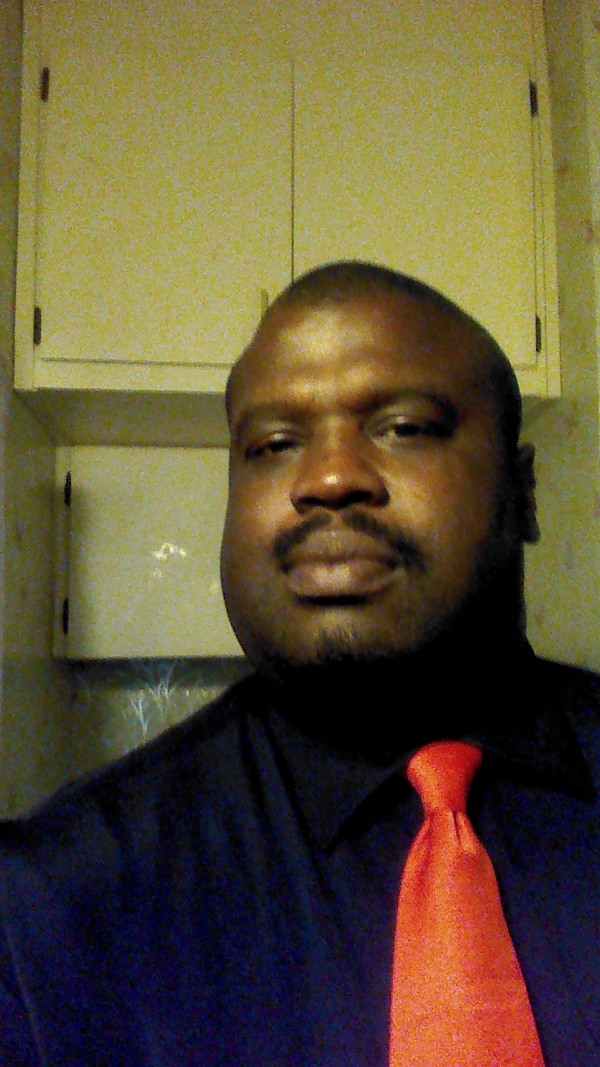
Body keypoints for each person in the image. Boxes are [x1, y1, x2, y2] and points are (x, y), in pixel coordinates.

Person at [0, 261, 597, 1065]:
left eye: (405, 427)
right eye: (273, 444)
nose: (327, 478)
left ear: (523, 492)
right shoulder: (50, 909)